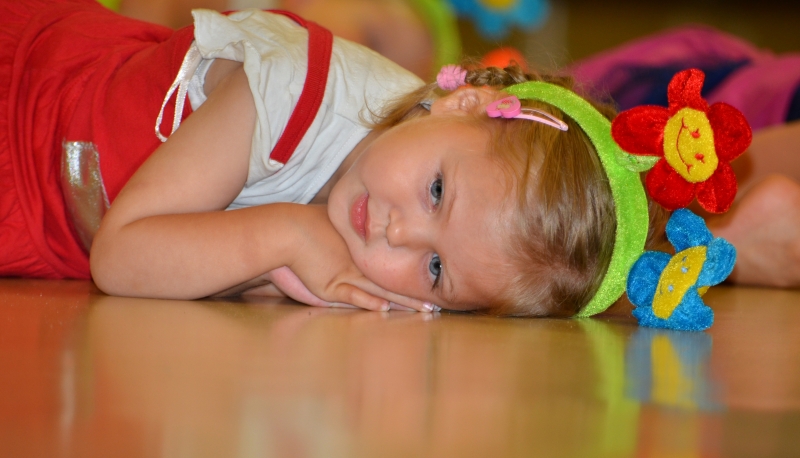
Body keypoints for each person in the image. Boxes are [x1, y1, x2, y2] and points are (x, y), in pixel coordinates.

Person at [0, 0, 793, 322]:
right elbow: (121, 256)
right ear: (462, 100)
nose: (398, 232)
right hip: (23, 112)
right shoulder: (294, 87)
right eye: (437, 191)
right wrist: (284, 236)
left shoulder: (389, 196)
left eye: (437, 270)